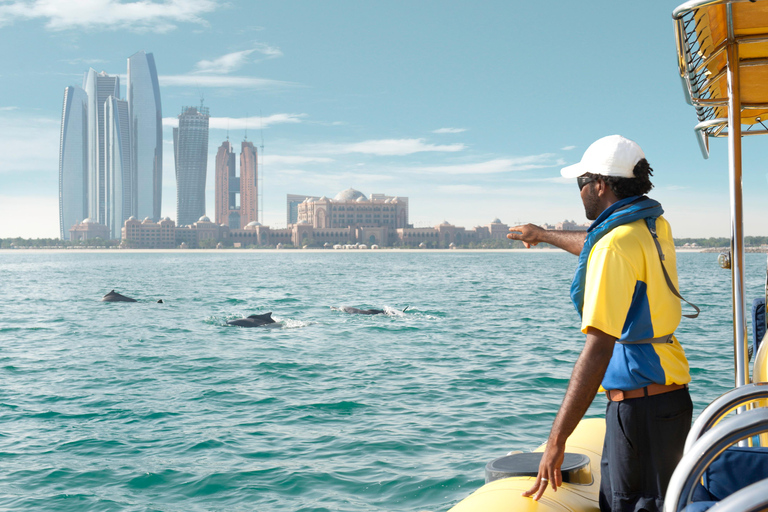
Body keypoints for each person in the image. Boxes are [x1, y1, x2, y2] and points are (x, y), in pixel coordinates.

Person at [507, 135, 693, 512]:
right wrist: (542, 235)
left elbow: (598, 349)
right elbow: (598, 243)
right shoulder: (654, 226)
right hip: (669, 399)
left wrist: (557, 439)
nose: (580, 193)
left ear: (599, 185)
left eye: (581, 185)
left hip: (640, 415)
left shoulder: (615, 247)